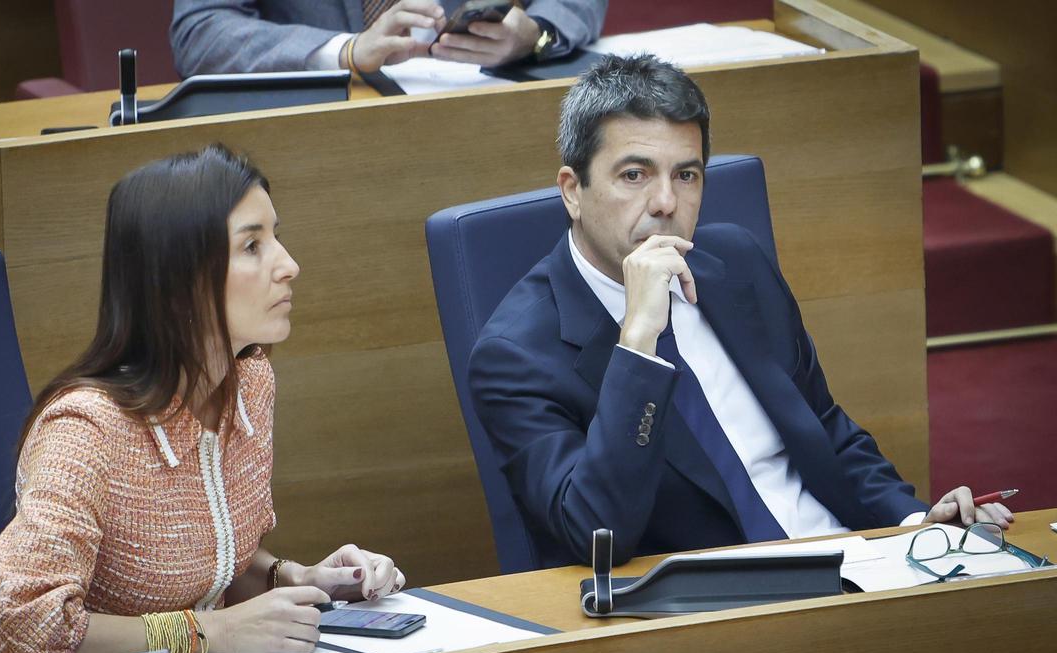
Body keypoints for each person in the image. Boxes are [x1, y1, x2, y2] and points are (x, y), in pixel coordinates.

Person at [467, 55, 1014, 567]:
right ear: (573, 191)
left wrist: (916, 523)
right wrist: (636, 342)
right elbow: (595, 535)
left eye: (686, 175)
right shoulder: (515, 355)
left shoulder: (733, 260)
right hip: (719, 609)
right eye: (634, 175)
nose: (665, 203)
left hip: (853, 563)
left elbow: (825, 428)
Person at [0, 144, 404, 653]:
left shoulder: (250, 384)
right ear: (178, 282)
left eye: (277, 236)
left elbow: (207, 562)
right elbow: (21, 630)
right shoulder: (84, 433)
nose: (289, 265)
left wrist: (292, 578)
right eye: (252, 245)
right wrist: (214, 631)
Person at [170, 0, 607, 77]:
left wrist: (536, 33)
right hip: (326, 126)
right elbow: (202, 27)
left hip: (481, 101)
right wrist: (344, 50)